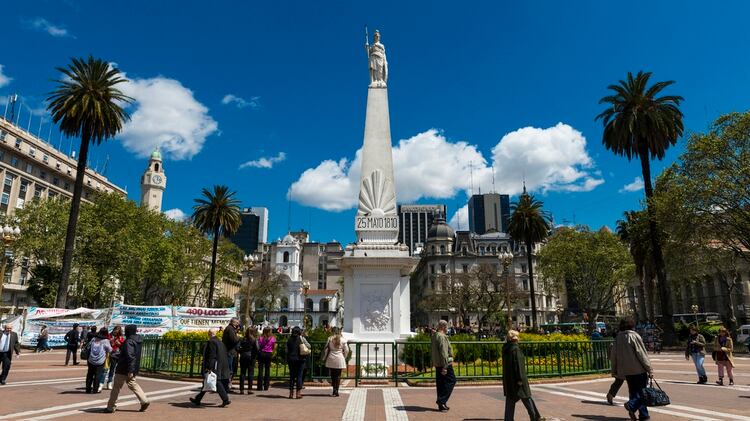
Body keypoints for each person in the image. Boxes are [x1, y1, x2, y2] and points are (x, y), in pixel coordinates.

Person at [611, 317, 652, 421]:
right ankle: (632, 406)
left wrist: (614, 370)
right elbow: (642, 354)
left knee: (634, 392)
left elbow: (613, 355)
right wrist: (649, 369)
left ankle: (643, 414)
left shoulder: (618, 338)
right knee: (642, 392)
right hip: (638, 369)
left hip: (626, 370)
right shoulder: (634, 336)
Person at [105, 324, 149, 413]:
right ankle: (144, 400)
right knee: (133, 384)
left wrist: (130, 370)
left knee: (116, 387)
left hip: (124, 367)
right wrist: (121, 346)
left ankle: (111, 406)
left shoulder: (129, 341)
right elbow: (130, 352)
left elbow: (130, 355)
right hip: (133, 367)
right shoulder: (138, 340)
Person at [502, 330, 544, 421]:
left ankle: (508, 419)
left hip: (509, 379)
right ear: (515, 339)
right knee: (526, 397)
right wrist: (520, 379)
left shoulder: (506, 348)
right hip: (518, 379)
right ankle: (535, 417)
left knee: (511, 400)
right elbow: (519, 366)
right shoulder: (516, 350)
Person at [190, 328, 231, 407]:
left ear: (209, 334)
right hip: (221, 365)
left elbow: (211, 356)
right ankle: (198, 399)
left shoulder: (211, 342)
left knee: (215, 381)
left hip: (215, 365)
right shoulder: (220, 342)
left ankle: (225, 399)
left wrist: (209, 367)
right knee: (207, 382)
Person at [431, 320, 455, 412]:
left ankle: (442, 404)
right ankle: (441, 401)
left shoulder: (435, 336)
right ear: (444, 327)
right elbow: (444, 353)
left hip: (438, 363)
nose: (447, 328)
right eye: (447, 327)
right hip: (444, 364)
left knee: (441, 384)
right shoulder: (442, 337)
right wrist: (445, 367)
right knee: (451, 380)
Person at [606, 319, 628, 405]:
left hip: (622, 363)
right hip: (622, 363)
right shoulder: (622, 336)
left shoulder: (620, 336)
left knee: (619, 380)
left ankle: (610, 394)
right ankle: (610, 394)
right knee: (620, 380)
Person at [86, 327, 112, 394]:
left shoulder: (94, 339)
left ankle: (88, 389)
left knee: (90, 374)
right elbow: (110, 350)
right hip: (100, 360)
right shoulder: (105, 341)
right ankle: (95, 389)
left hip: (91, 359)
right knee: (98, 375)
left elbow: (88, 346)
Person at [322, 327, 347, 397]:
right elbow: (347, 350)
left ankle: (334, 390)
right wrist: (344, 357)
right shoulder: (343, 339)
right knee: (338, 375)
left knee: (333, 375)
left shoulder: (330, 338)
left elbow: (326, 348)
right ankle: (337, 390)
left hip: (331, 357)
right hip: (339, 357)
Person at [238, 327, 258, 394]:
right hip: (251, 357)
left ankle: (241, 389)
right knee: (250, 373)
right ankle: (249, 389)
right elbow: (257, 349)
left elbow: (237, 348)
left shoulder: (242, 339)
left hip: (243, 356)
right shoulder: (254, 340)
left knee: (242, 373)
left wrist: (242, 351)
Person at [286, 326, 305, 399]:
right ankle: (298, 393)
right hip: (300, 359)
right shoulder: (300, 339)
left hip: (291, 359)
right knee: (299, 376)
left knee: (292, 377)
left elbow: (287, 350)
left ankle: (291, 394)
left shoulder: (289, 339)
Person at [104, 326, 125, 390]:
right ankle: (100, 383)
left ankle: (109, 383)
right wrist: (111, 342)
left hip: (116, 355)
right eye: (115, 329)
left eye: (118, 330)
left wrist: (120, 344)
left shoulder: (121, 337)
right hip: (108, 354)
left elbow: (123, 346)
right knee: (105, 369)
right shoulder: (109, 335)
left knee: (112, 370)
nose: (116, 331)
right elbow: (105, 343)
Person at [222, 318, 241, 389]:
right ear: (233, 322)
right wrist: (238, 337)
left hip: (232, 352)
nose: (238, 324)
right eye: (237, 323)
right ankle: (227, 385)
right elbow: (234, 340)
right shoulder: (230, 329)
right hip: (229, 352)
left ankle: (228, 384)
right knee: (229, 370)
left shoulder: (231, 329)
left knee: (232, 369)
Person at [256, 327, 276, 391]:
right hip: (268, 354)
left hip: (262, 353)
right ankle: (266, 386)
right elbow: (273, 347)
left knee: (260, 370)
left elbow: (258, 346)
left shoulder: (261, 338)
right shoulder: (272, 339)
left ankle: (259, 386)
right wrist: (271, 351)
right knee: (267, 371)